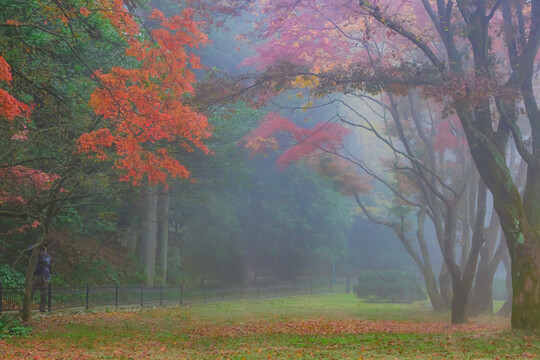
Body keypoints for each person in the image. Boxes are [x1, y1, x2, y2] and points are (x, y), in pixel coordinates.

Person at [32, 244, 51, 312]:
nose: (42, 250)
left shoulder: (48, 256)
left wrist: (43, 254)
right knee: (31, 291)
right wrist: (38, 250)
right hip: (36, 276)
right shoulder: (36, 255)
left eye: (44, 249)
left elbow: (46, 262)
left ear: (46, 250)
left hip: (44, 277)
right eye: (42, 249)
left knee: (43, 293)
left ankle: (42, 307)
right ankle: (26, 306)